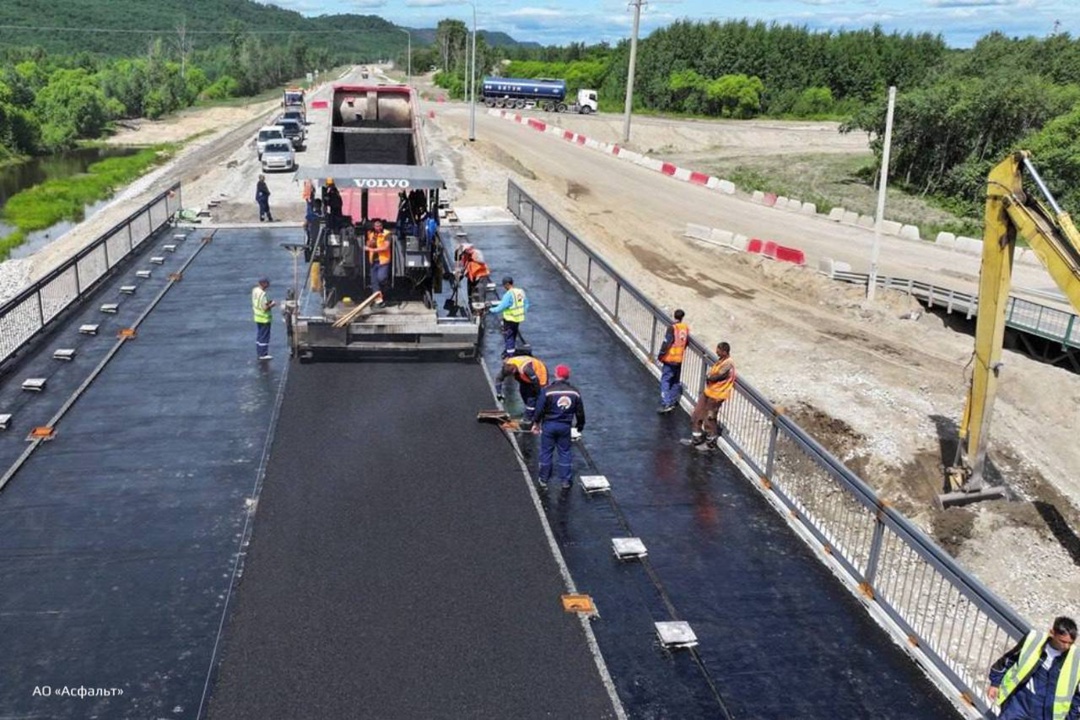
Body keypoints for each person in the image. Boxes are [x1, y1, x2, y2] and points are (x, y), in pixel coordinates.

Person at [987, 616, 1079, 720]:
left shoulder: (1076, 658)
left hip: (1046, 712)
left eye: (1070, 643)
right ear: (1052, 633)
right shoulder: (1035, 640)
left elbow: (1077, 695)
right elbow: (1010, 659)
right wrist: (995, 683)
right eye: (1063, 641)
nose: (1066, 646)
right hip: (1019, 702)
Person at [532, 364, 585, 490]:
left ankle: (544, 479)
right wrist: (580, 425)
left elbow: (539, 409)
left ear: (556, 374)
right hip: (565, 426)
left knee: (546, 452)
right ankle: (565, 480)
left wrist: (536, 423)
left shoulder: (548, 390)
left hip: (549, 424)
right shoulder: (574, 392)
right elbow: (580, 411)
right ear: (567, 376)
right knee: (565, 452)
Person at [689, 342, 735, 451]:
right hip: (709, 392)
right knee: (697, 413)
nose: (716, 352)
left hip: (717, 395)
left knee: (710, 417)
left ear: (724, 351)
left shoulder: (728, 363)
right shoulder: (721, 361)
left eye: (718, 350)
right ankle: (697, 438)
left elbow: (717, 377)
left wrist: (709, 377)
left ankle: (710, 443)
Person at [494, 353, 548, 429]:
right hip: (524, 377)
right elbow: (498, 379)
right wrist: (499, 393)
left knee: (532, 397)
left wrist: (536, 392)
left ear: (514, 370)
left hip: (539, 374)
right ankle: (531, 411)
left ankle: (529, 419)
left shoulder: (526, 369)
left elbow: (535, 381)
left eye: (511, 375)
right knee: (523, 392)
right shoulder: (507, 365)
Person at [657, 309, 690, 413]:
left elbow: (667, 342)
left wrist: (661, 355)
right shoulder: (685, 328)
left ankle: (666, 403)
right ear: (682, 317)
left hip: (670, 358)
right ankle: (672, 401)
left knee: (665, 380)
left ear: (674, 316)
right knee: (675, 381)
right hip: (679, 359)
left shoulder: (672, 328)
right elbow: (686, 342)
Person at [489, 276, 529, 358]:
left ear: (507, 284)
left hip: (509, 319)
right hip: (518, 319)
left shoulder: (508, 295)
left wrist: (490, 310)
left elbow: (501, 307)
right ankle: (511, 350)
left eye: (504, 285)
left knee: (509, 337)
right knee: (513, 335)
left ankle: (510, 355)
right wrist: (522, 312)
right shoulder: (520, 292)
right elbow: (526, 304)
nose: (504, 287)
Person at [365, 218, 392, 304]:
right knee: (374, 282)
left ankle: (386, 288)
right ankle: (378, 300)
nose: (377, 227)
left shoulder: (387, 234)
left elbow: (385, 247)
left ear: (382, 226)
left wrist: (372, 249)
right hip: (373, 261)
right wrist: (370, 243)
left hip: (383, 261)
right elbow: (368, 243)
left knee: (381, 278)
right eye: (376, 226)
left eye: (379, 225)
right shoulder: (371, 233)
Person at [252, 277, 276, 360]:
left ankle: (259, 352)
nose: (268, 285)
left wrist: (268, 302)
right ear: (264, 284)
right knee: (264, 336)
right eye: (267, 284)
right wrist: (272, 304)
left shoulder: (255, 290)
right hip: (264, 318)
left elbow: (258, 302)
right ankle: (263, 354)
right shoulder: (263, 294)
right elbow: (265, 308)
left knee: (259, 335)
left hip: (257, 317)